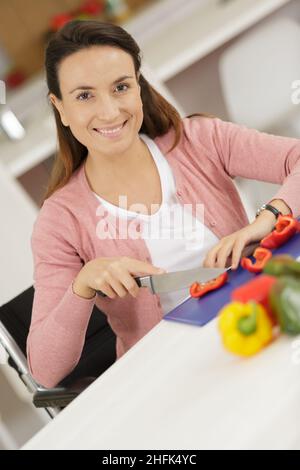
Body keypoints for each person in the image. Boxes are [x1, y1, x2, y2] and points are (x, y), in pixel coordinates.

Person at [27, 20, 300, 388]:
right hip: (173, 379)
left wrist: (269, 217)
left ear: (138, 87)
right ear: (59, 107)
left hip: (259, 324)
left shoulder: (200, 140)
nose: (109, 112)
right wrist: (82, 286)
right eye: (84, 95)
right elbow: (45, 369)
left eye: (121, 87)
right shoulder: (59, 221)